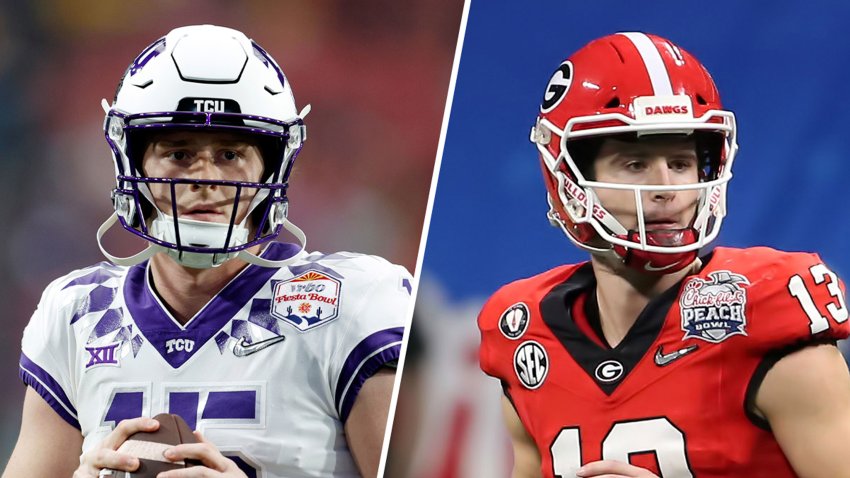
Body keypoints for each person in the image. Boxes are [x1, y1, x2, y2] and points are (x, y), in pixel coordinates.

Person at [4, 25, 410, 478]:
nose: (206, 176)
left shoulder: (352, 301)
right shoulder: (77, 313)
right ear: (130, 162)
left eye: (231, 155)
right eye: (178, 154)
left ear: (272, 165)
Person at [477, 32, 850, 478]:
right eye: (635, 165)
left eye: (680, 163)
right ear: (570, 181)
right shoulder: (528, 337)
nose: (666, 189)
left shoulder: (769, 321)